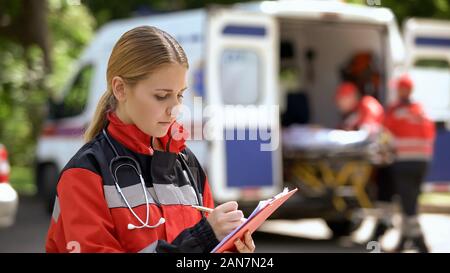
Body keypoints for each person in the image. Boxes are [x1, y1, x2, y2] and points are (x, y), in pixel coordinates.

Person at [45, 26, 255, 253]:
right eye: (162, 96)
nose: (175, 109)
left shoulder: (187, 163)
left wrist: (229, 248)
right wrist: (200, 239)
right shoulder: (85, 173)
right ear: (120, 89)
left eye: (180, 95)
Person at [384, 74, 435, 253]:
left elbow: (386, 136)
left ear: (400, 90)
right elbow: (430, 134)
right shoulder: (421, 110)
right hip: (422, 163)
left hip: (403, 163)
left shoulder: (394, 111)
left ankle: (420, 241)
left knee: (408, 205)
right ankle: (403, 240)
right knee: (411, 201)